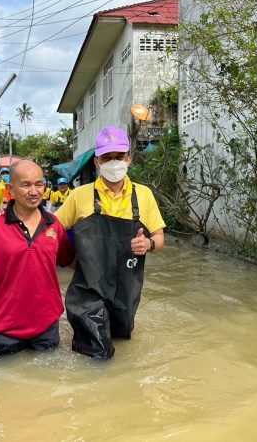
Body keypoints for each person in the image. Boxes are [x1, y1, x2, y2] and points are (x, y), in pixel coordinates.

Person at [55, 126, 165, 359]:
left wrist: (149, 245)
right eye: (107, 157)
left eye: (119, 157)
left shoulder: (143, 194)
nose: (113, 163)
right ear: (97, 162)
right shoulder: (80, 195)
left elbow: (159, 237)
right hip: (88, 291)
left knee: (123, 342)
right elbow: (52, 229)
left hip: (126, 289)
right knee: (98, 354)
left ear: (129, 159)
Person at [0, 160, 74, 358]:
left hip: (46, 324)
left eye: (39, 184)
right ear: (11, 189)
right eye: (26, 185)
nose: (34, 191)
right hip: (2, 327)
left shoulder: (55, 225)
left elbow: (69, 261)